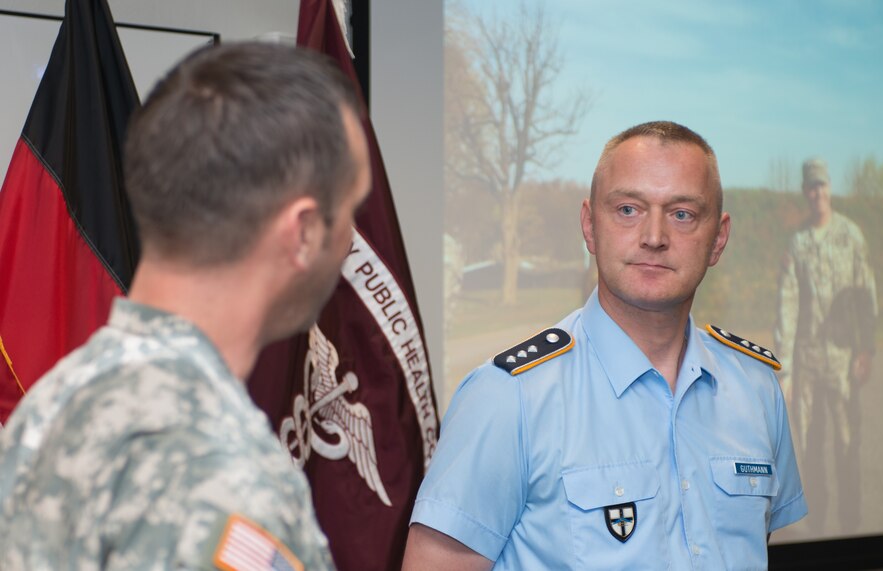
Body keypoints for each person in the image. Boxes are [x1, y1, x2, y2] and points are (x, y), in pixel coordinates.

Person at [0, 42, 371, 570]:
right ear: (305, 232)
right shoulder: (219, 469)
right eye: (351, 210)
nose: (353, 237)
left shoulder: (50, 404)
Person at [404, 121, 807, 570]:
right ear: (589, 226)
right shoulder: (508, 398)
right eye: (628, 209)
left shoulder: (756, 389)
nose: (654, 236)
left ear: (719, 238)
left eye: (682, 214)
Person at [775, 158, 877, 534]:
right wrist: (784, 369)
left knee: (848, 444)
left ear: (829, 188)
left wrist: (865, 350)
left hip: (843, 360)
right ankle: (818, 532)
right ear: (806, 192)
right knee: (810, 449)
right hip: (807, 365)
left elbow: (867, 296)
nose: (818, 192)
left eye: (822, 185)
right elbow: (787, 305)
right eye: (811, 187)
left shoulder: (850, 236)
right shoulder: (798, 244)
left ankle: (852, 530)